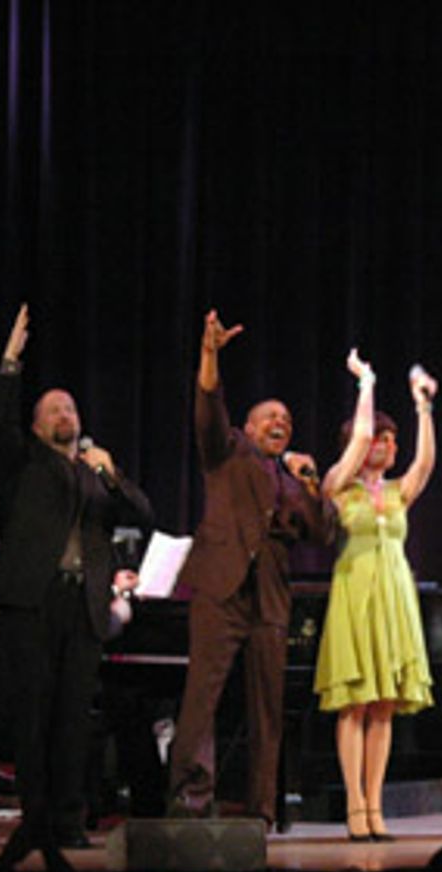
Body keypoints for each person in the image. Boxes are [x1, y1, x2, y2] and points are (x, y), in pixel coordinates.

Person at [0, 305, 153, 864]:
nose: (65, 413)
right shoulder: (26, 463)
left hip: (83, 604)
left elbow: (144, 514)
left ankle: (68, 818)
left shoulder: (95, 473)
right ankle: (34, 820)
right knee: (33, 714)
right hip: (33, 600)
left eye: (71, 407)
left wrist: (112, 472)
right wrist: (11, 360)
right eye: (54, 408)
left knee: (72, 717)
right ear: (37, 426)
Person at [167, 310, 334, 825]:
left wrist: (311, 481)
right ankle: (191, 801)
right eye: (271, 418)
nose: (281, 423)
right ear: (249, 427)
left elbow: (323, 532)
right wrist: (209, 355)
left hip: (270, 599)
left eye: (287, 421)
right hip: (221, 589)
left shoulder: (293, 480)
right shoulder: (229, 451)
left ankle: (261, 809)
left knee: (267, 709)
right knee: (203, 698)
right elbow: (208, 411)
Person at [314, 350, 437, 842]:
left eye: (391, 440)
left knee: (383, 704)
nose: (385, 445)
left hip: (394, 594)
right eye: (379, 439)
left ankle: (376, 805)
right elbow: (361, 436)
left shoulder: (398, 491)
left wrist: (423, 407)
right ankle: (354, 805)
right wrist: (366, 382)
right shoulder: (338, 486)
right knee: (355, 704)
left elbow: (425, 462)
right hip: (355, 592)